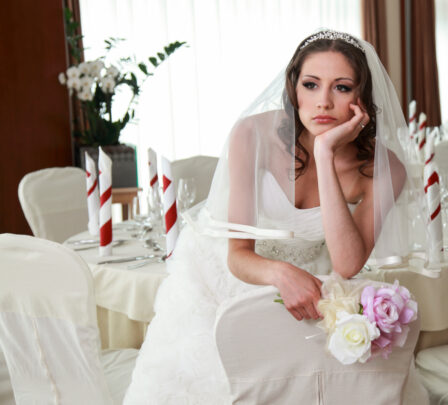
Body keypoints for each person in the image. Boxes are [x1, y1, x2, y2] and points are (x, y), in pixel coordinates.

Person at [123, 30, 412, 404]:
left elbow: (347, 263)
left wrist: (324, 152)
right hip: (224, 274)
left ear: (362, 99)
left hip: (313, 276)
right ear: (294, 90)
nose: (322, 102)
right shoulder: (252, 135)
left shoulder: (386, 168)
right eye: (311, 84)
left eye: (341, 88)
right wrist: (279, 273)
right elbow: (238, 255)